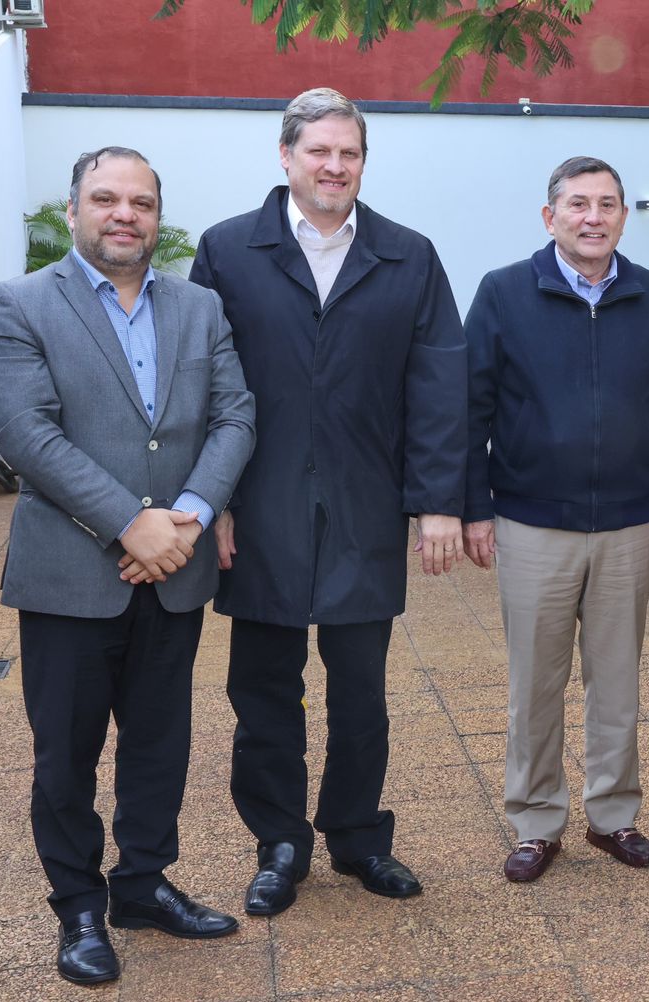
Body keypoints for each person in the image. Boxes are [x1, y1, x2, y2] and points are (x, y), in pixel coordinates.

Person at [0, 147, 255, 984]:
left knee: (160, 744)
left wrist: (189, 519)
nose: (123, 214)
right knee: (65, 753)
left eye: (140, 201)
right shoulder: (20, 303)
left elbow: (235, 415)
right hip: (70, 572)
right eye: (105, 199)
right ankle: (78, 910)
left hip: (175, 570)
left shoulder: (200, 307)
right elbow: (28, 435)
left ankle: (141, 885)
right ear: (74, 211)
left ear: (157, 216)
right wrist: (130, 524)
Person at [190, 87, 468, 916]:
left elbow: (439, 383)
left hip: (364, 503)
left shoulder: (408, 255)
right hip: (262, 500)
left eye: (349, 154)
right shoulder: (228, 250)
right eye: (319, 152)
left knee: (361, 692)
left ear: (362, 163)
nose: (334, 167)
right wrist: (215, 502)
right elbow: (200, 381)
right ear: (286, 157)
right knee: (264, 690)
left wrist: (438, 503)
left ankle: (356, 838)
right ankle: (279, 843)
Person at [463, 156, 649, 884]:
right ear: (550, 216)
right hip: (533, 523)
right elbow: (468, 409)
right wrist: (472, 507)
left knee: (617, 679)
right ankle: (536, 822)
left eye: (607, 204)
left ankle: (614, 815)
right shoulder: (503, 294)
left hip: (628, 522)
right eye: (578, 204)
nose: (593, 217)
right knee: (536, 682)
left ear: (624, 216)